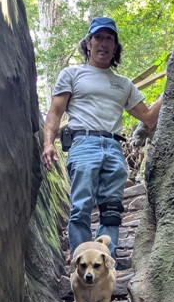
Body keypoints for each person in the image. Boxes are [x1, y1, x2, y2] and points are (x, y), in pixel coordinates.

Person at [42, 16, 163, 262]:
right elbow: (55, 112)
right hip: (83, 143)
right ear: (88, 43)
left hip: (113, 147)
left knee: (111, 210)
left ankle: (106, 265)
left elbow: (149, 118)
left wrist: (171, 86)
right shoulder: (72, 74)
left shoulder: (123, 84)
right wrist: (48, 143)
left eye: (109, 38)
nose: (103, 43)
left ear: (115, 46)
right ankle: (80, 264)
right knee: (81, 208)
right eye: (98, 37)